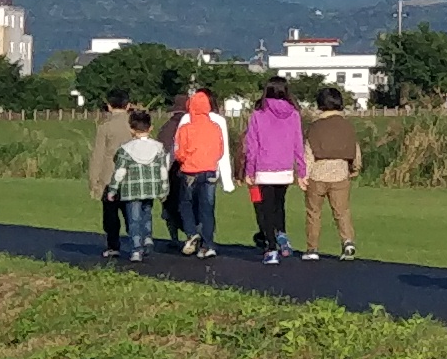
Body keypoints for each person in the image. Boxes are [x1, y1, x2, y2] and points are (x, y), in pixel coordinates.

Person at [238, 82, 309, 263]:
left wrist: (250, 170)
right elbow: (298, 144)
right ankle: (282, 236)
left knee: (267, 208)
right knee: (279, 204)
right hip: (284, 167)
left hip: (264, 167)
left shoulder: (258, 114)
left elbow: (252, 146)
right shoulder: (293, 114)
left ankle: (271, 248)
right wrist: (301, 171)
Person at [297, 90, 361, 260]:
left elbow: (308, 153)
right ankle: (347, 242)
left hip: (317, 174)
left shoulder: (315, 127)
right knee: (342, 211)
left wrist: (303, 174)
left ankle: (312, 249)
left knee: (314, 213)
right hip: (340, 173)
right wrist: (355, 168)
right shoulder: (347, 126)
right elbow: (355, 150)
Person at [167, 85, 229, 258]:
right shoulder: (215, 127)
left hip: (190, 171)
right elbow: (220, 150)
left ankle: (191, 232)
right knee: (207, 208)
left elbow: (179, 151)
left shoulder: (185, 127)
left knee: (185, 204)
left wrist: (185, 160)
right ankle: (208, 245)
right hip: (209, 170)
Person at [105, 107, 170, 261]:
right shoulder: (159, 148)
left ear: (131, 129)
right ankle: (147, 238)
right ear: (151, 128)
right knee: (146, 214)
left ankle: (136, 249)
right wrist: (164, 190)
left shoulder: (125, 150)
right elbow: (163, 170)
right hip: (150, 188)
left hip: (131, 190)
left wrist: (112, 190)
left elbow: (120, 172)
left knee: (134, 219)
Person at [85, 93, 134, 260]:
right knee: (132, 213)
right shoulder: (134, 124)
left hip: (110, 178)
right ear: (128, 106)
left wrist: (93, 180)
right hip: (131, 177)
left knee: (111, 214)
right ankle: (137, 244)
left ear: (109, 106)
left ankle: (113, 246)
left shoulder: (105, 127)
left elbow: (98, 155)